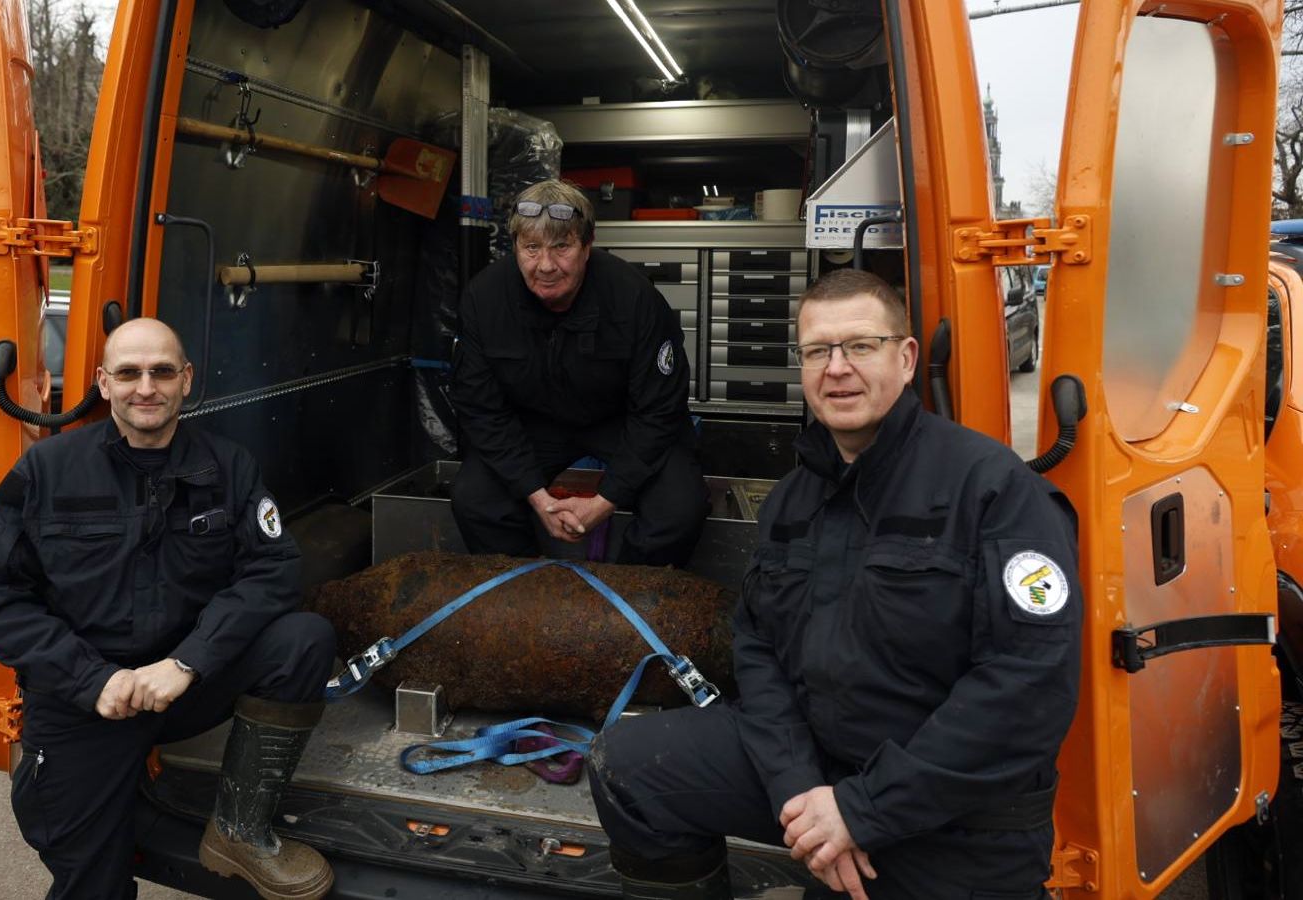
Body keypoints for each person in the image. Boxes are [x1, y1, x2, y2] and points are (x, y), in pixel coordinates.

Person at [586, 269, 1082, 899]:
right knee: (629, 766)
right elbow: (758, 647)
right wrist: (797, 790)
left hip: (956, 817)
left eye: (859, 346)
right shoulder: (793, 501)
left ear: (905, 360)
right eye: (817, 351)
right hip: (821, 773)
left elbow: (1027, 687)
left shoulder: (994, 490)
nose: (837, 368)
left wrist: (861, 811)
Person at [0, 318, 337, 900]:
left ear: (186, 380)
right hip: (86, 701)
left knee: (303, 638)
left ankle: (239, 828)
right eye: (129, 373)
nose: (147, 387)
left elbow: (273, 570)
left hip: (182, 685)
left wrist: (187, 663)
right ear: (103, 383)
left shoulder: (229, 467)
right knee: (93, 881)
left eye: (162, 371)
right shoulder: (47, 472)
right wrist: (93, 680)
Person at [450, 178, 709, 567]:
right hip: (534, 424)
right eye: (531, 247)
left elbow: (659, 410)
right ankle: (524, 592)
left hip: (621, 422)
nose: (546, 265)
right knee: (475, 499)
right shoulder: (483, 299)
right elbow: (481, 409)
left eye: (562, 246)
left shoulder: (634, 298)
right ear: (515, 246)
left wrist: (605, 502)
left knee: (680, 507)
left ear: (587, 246)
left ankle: (626, 600)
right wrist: (538, 498)